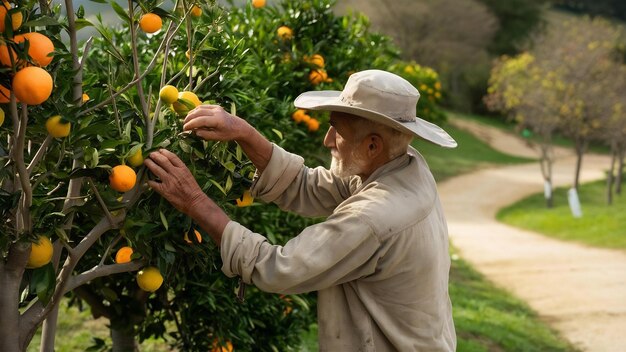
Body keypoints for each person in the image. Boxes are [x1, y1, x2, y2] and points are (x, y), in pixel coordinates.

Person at [144, 69, 457, 351]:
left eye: (337, 130)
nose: (327, 140)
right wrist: (244, 133)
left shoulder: (375, 217)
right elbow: (311, 187)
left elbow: (280, 268)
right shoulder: (404, 165)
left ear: (372, 146)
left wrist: (195, 202)